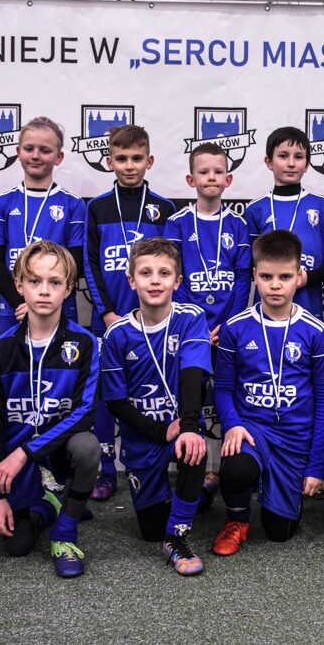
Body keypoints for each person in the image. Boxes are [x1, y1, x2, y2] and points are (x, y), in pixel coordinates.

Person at [211, 230, 324, 554]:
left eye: (284, 277)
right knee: (237, 468)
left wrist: (315, 467)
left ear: (299, 276)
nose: (275, 285)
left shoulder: (315, 331)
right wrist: (233, 425)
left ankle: (274, 489)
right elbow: (223, 389)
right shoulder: (235, 327)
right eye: (267, 277)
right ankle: (237, 518)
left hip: (293, 438)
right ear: (255, 275)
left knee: (280, 533)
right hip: (252, 431)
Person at [0, 240, 100, 578]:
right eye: (35, 281)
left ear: (69, 288)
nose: (44, 290)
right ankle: (48, 502)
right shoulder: (1, 350)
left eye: (55, 282)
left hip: (57, 449)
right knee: (17, 546)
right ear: (19, 285)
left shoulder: (84, 343)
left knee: (88, 447)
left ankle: (65, 533)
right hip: (15, 453)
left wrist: (26, 452)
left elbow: (84, 412)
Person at [100, 238, 212, 576]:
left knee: (193, 446)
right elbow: (115, 401)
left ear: (177, 281)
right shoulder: (117, 334)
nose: (155, 280)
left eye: (164, 273)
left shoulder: (191, 318)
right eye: (145, 273)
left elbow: (193, 374)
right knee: (150, 529)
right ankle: (201, 492)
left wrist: (188, 426)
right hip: (144, 436)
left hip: (181, 427)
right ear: (131, 280)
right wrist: (161, 431)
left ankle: (177, 539)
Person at [85, 124, 177, 501]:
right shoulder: (96, 207)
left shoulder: (165, 208)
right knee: (107, 395)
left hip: (154, 322)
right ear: (109, 162)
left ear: (149, 161)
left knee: (155, 389)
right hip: (108, 322)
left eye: (136, 158)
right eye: (121, 158)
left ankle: (159, 462)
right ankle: (106, 470)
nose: (129, 165)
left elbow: (171, 266)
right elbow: (90, 264)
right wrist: (107, 312)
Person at [0, 116, 85, 334]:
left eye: (45, 150)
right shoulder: (2, 202)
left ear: (59, 157)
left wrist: (46, 300)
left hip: (59, 308)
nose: (36, 156)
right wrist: (22, 303)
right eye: (29, 149)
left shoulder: (73, 204)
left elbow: (76, 263)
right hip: (15, 308)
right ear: (18, 152)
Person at [244, 126, 324, 320]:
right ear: (269, 162)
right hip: (266, 308)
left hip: (308, 306)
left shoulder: (322, 206)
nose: (291, 163)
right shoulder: (256, 209)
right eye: (283, 156)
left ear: (307, 164)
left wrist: (307, 278)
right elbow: (248, 265)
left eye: (298, 157)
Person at [164, 142, 251, 344]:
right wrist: (192, 321)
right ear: (191, 180)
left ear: (228, 179)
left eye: (218, 172)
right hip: (188, 325)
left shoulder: (238, 224)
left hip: (228, 327)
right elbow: (172, 276)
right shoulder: (176, 223)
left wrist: (230, 323)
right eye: (203, 172)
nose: (211, 177)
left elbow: (243, 278)